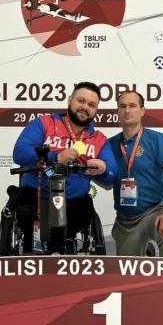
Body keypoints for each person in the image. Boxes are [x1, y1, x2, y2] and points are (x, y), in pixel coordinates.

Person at [12, 81, 117, 251]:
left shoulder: (99, 139)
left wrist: (103, 168)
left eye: (91, 105)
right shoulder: (44, 123)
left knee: (83, 212)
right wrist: (56, 157)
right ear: (70, 100)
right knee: (24, 209)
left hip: (75, 206)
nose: (85, 107)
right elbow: (20, 152)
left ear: (96, 110)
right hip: (36, 200)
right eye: (81, 101)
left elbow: (111, 173)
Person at [108, 90, 163, 257]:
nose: (127, 110)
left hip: (153, 212)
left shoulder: (157, 139)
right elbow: (107, 184)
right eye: (123, 106)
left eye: (132, 106)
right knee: (127, 270)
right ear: (118, 112)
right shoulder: (110, 144)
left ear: (142, 110)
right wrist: (91, 171)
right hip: (125, 221)